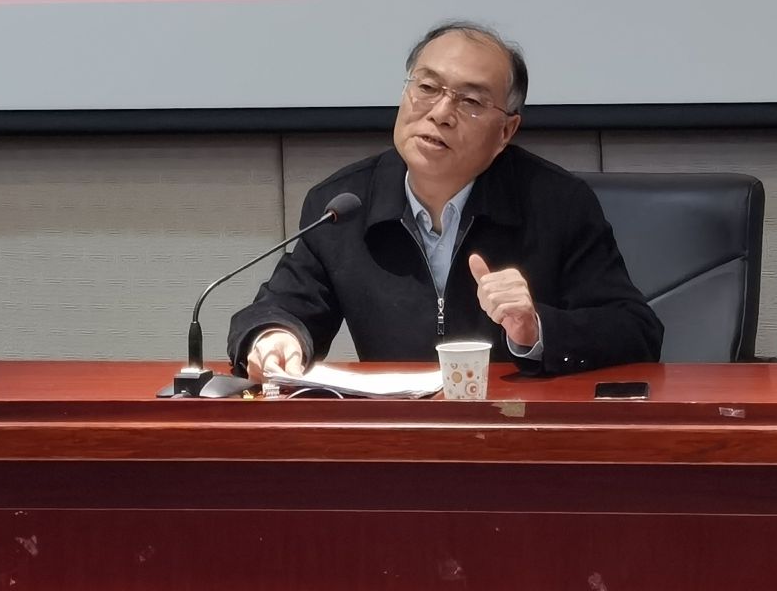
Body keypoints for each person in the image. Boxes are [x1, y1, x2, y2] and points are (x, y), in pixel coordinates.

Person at [227, 21, 663, 379]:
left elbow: (637, 331)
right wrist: (274, 336)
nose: (440, 113)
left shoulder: (556, 203)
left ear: (506, 131)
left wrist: (536, 328)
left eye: (470, 100)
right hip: (396, 438)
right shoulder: (344, 206)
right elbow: (283, 307)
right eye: (427, 87)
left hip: (519, 432)